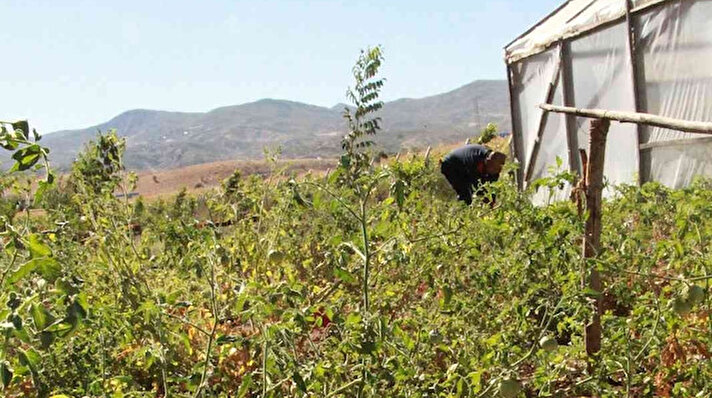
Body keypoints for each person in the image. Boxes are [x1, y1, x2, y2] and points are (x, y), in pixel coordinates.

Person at [440, 144, 506, 205]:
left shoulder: (495, 165)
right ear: (487, 161)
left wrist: (492, 201)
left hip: (464, 166)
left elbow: (492, 186)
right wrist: (486, 201)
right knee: (465, 193)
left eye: (496, 170)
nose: (494, 171)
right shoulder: (476, 161)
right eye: (493, 168)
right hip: (451, 165)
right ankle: (462, 211)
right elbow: (476, 186)